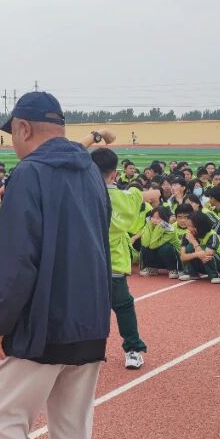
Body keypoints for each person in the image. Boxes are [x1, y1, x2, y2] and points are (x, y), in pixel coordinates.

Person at [0, 92, 111, 439]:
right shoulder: (91, 171)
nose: (12, 143)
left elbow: (17, 261)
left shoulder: (28, 174)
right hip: (90, 318)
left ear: (23, 128)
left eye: (11, 134)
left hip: (43, 323)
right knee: (72, 428)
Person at [85, 137, 161, 370]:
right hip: (114, 261)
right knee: (124, 306)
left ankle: (85, 350)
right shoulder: (128, 197)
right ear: (115, 174)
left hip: (85, 262)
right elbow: (153, 195)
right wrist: (153, 199)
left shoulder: (81, 194)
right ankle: (133, 350)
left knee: (85, 307)